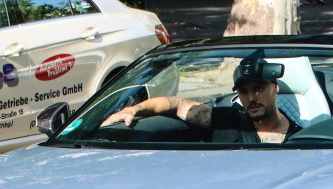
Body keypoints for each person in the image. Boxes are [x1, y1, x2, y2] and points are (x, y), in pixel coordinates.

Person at [101, 52, 303, 144]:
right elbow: (177, 103)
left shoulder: (302, 139)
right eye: (244, 92)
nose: (251, 97)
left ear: (275, 88)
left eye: (258, 89)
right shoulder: (226, 121)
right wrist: (133, 110)